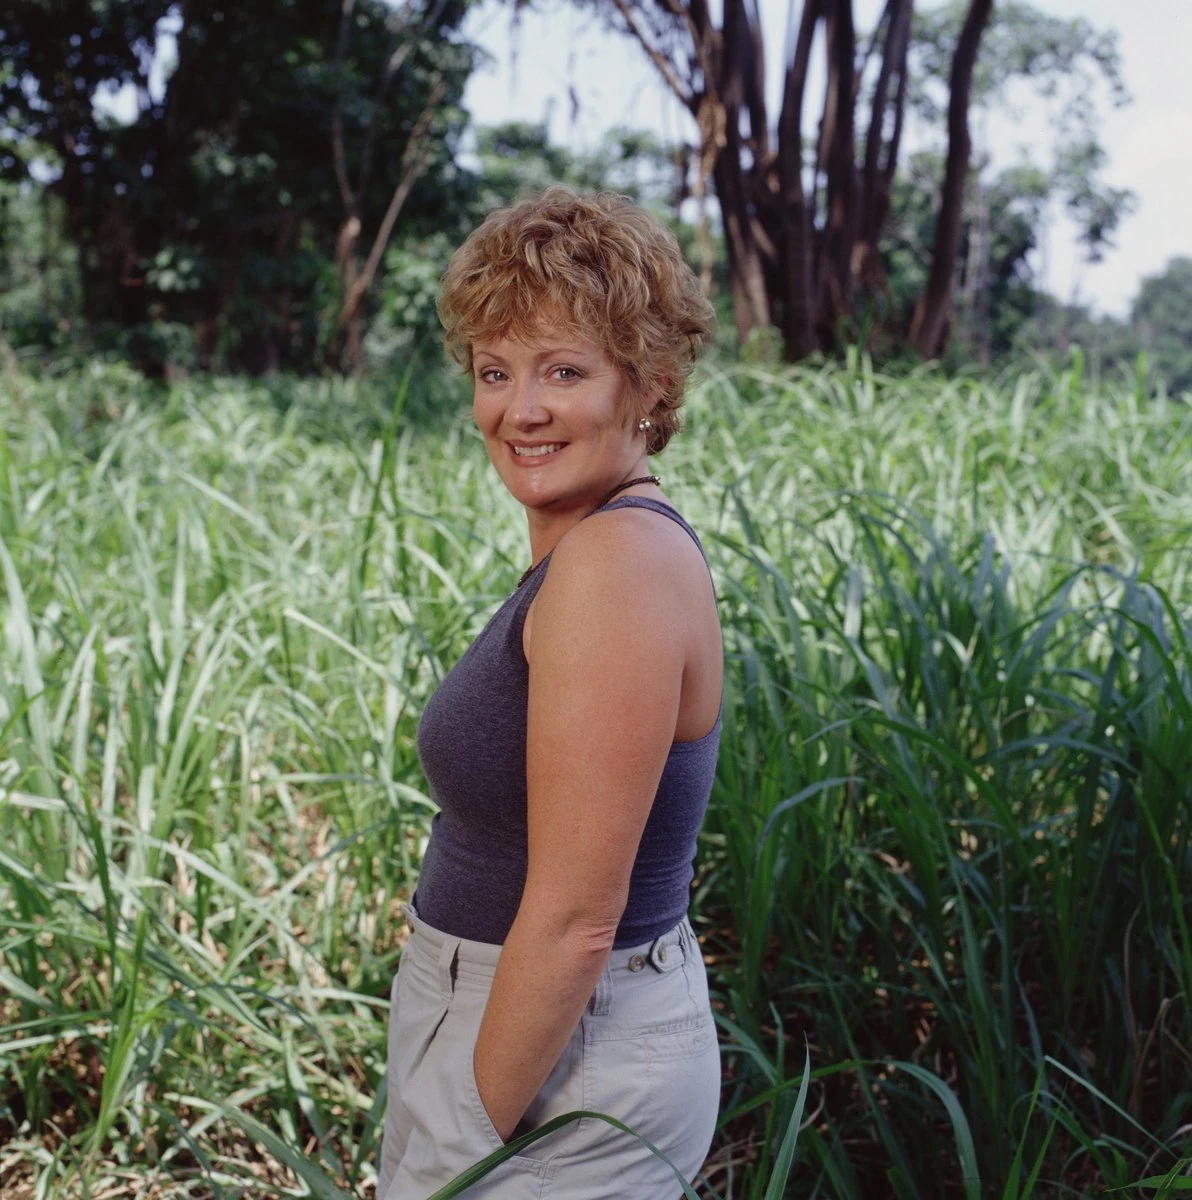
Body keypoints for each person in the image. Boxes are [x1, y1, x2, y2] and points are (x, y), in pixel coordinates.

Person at [376, 186, 723, 1199]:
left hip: (558, 1062)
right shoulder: (597, 550)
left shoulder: (615, 565)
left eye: (563, 371)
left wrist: (458, 1134)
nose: (519, 410)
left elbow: (576, 922)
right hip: (527, 1035)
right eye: (495, 371)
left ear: (649, 384)